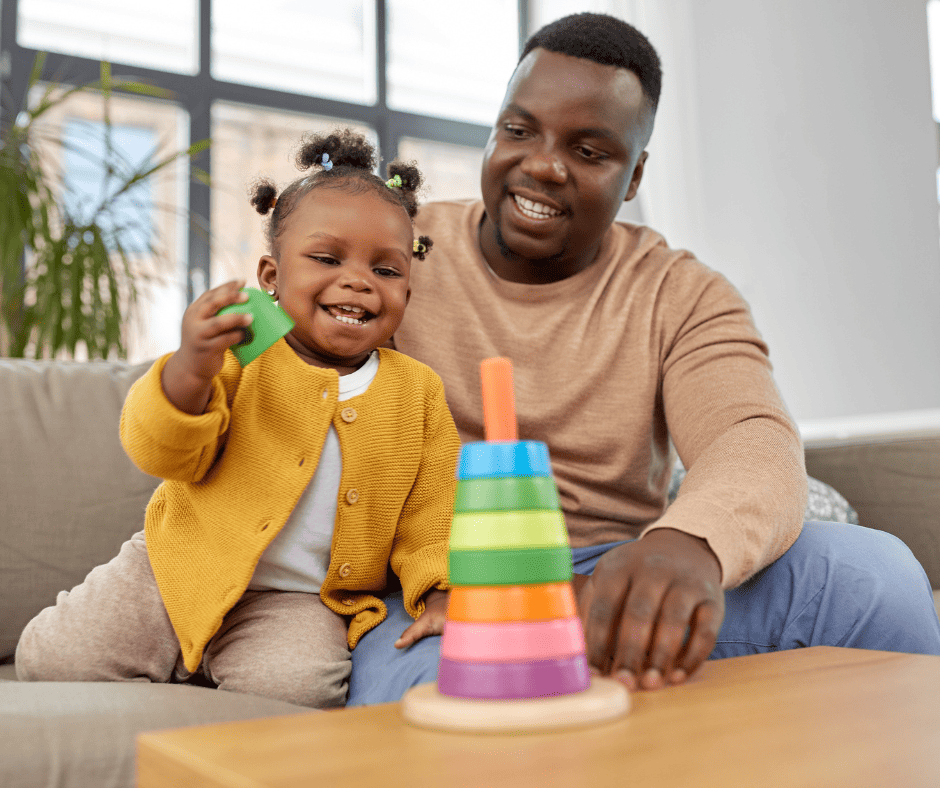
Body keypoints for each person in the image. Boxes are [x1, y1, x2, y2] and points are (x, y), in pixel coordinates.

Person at [345, 13, 940, 706]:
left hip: (616, 577)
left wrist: (688, 543)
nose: (542, 163)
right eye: (519, 130)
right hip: (438, 587)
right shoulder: (393, 252)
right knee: (473, 701)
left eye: (590, 150)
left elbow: (749, 437)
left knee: (876, 576)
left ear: (634, 178)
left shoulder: (677, 291)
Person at [15, 129, 461, 708]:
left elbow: (434, 510)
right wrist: (191, 368)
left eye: (387, 270)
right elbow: (164, 452)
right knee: (52, 658)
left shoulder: (417, 390)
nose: (358, 280)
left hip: (296, 600)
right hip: (176, 568)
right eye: (326, 259)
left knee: (297, 692)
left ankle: (209, 669)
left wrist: (447, 591)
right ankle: (184, 656)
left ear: (408, 283)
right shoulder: (241, 352)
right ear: (271, 278)